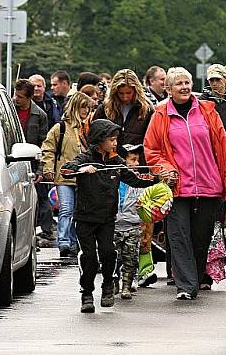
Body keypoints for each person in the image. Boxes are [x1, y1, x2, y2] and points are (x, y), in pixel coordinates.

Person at [143, 67, 226, 301]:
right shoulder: (160, 114)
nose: (185, 87)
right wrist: (165, 169)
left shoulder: (207, 112)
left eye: (187, 82)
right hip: (177, 188)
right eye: (179, 84)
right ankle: (185, 285)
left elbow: (223, 147)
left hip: (208, 185)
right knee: (178, 236)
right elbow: (152, 150)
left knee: (201, 237)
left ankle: (195, 277)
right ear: (168, 89)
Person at [61, 119, 157, 313]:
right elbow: (66, 170)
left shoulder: (117, 163)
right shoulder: (85, 158)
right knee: (89, 257)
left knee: (108, 253)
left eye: (116, 139)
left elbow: (136, 180)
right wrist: (81, 170)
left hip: (107, 219)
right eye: (111, 139)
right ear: (99, 140)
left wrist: (157, 179)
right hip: (85, 218)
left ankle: (107, 285)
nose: (115, 143)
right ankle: (86, 293)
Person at [40, 92, 93, 258]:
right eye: (83, 106)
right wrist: (48, 169)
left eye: (88, 107)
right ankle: (64, 242)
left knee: (79, 211)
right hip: (64, 176)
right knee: (66, 209)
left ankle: (75, 241)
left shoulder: (89, 128)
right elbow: (48, 149)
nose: (86, 110)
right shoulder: (60, 128)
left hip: (85, 177)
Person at [13, 79, 51, 244]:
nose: (16, 99)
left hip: (31, 165)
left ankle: (38, 235)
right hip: (13, 162)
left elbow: (44, 144)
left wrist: (40, 169)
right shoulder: (9, 110)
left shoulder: (40, 115)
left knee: (37, 202)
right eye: (16, 95)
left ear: (29, 98)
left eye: (20, 97)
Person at [92, 69, 154, 155]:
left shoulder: (147, 110)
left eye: (129, 93)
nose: (125, 97)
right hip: (109, 163)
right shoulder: (105, 108)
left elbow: (153, 142)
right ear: (115, 92)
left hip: (137, 162)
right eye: (121, 93)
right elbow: (93, 139)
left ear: (136, 90)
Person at [115, 143, 147, 300]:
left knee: (131, 257)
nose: (136, 164)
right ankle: (113, 280)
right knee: (115, 257)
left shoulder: (140, 182)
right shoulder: (112, 178)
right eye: (133, 160)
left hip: (133, 225)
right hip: (113, 225)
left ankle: (126, 285)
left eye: (138, 160)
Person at [200, 64, 226, 142]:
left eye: (218, 79)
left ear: (225, 79)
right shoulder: (202, 102)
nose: (214, 83)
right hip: (212, 144)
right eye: (212, 80)